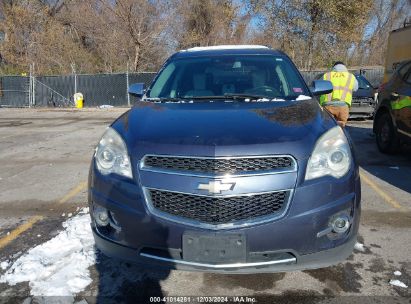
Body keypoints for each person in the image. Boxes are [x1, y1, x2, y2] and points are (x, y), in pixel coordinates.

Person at [319, 61, 358, 127]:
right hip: (343, 106)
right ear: (344, 67)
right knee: (340, 127)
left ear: (334, 67)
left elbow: (319, 87)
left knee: (327, 127)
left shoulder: (327, 75)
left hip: (327, 106)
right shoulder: (351, 76)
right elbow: (355, 88)